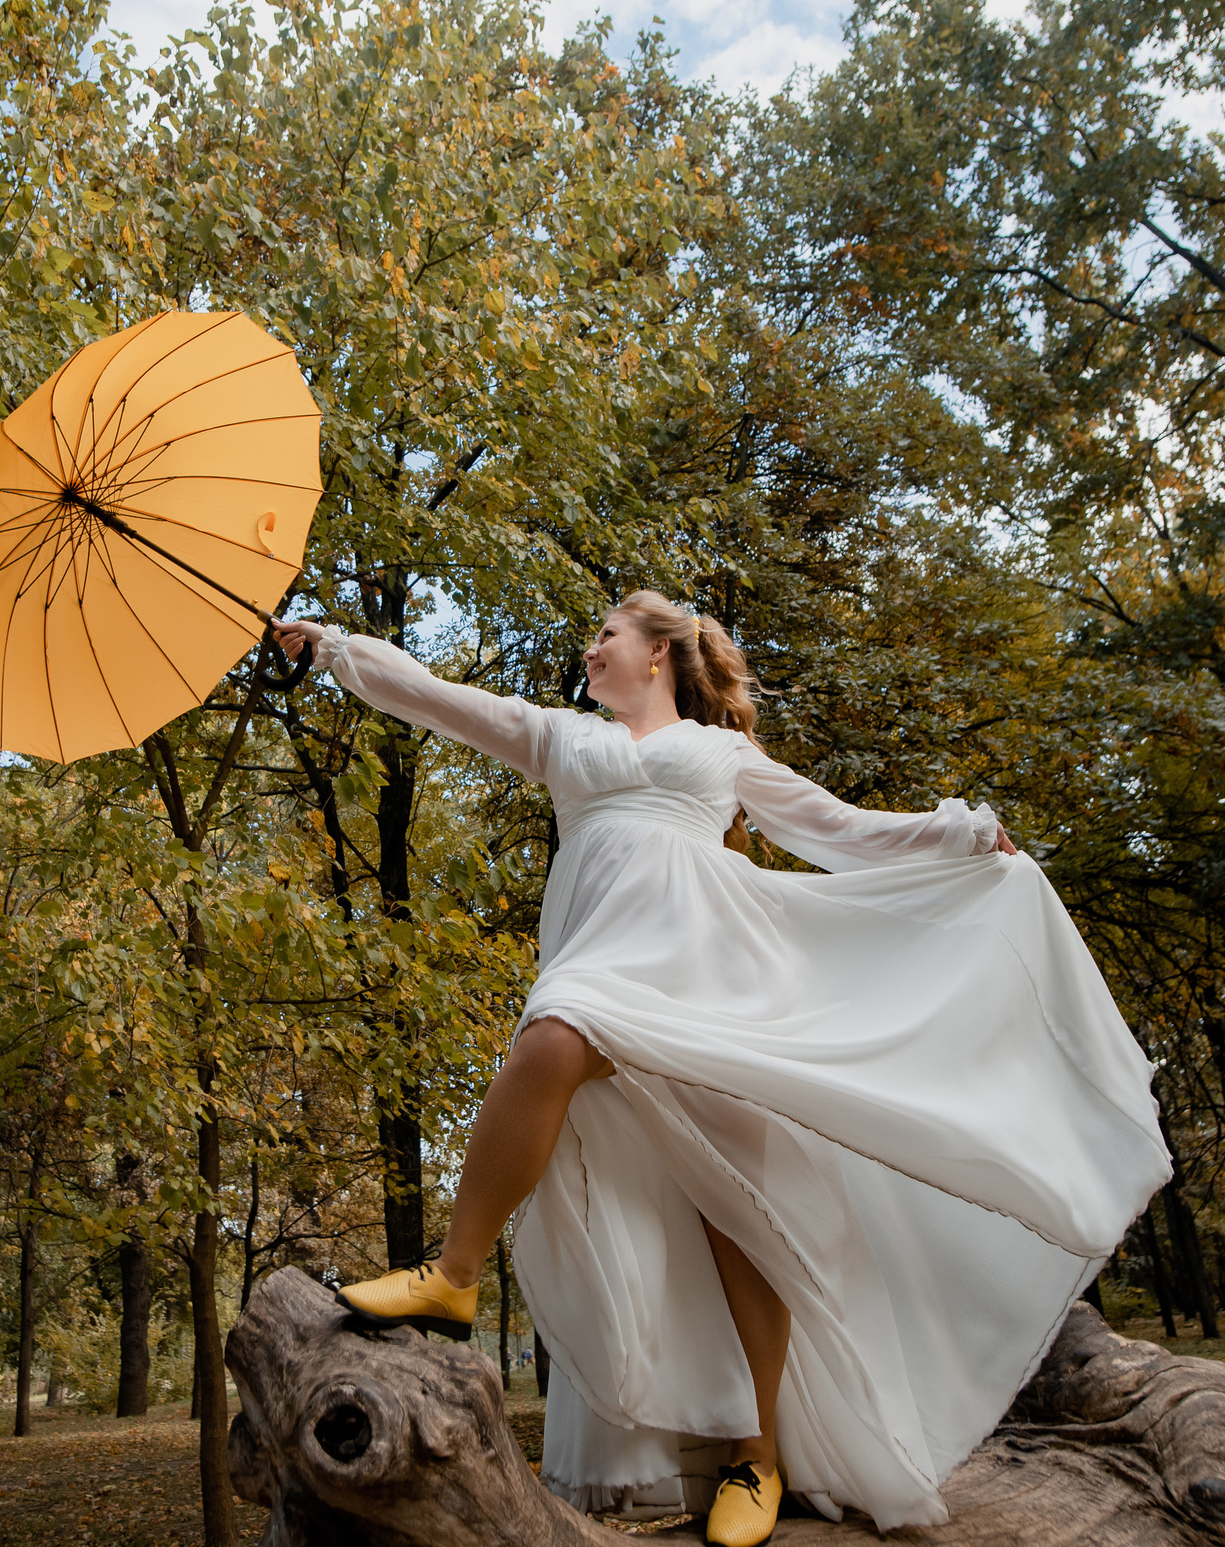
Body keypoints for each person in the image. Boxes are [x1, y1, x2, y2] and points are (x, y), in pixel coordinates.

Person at [270, 594, 1166, 1545]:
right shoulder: (565, 739)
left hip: (715, 983)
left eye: (606, 634)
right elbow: (437, 695)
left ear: (659, 650)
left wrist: (962, 835)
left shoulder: (720, 754)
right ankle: (453, 1273)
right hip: (606, 967)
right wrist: (333, 646)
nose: (590, 649)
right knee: (551, 1039)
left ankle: (757, 1451)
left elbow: (841, 830)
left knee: (739, 1210)